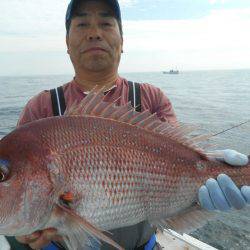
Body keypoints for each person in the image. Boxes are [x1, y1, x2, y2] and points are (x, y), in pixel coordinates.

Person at [12, 0, 249, 249]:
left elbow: (186, 161)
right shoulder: (40, 107)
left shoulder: (151, 98)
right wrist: (24, 232)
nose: (94, 33)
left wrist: (211, 182)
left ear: (122, 41)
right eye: (82, 24)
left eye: (105, 23)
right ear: (67, 44)